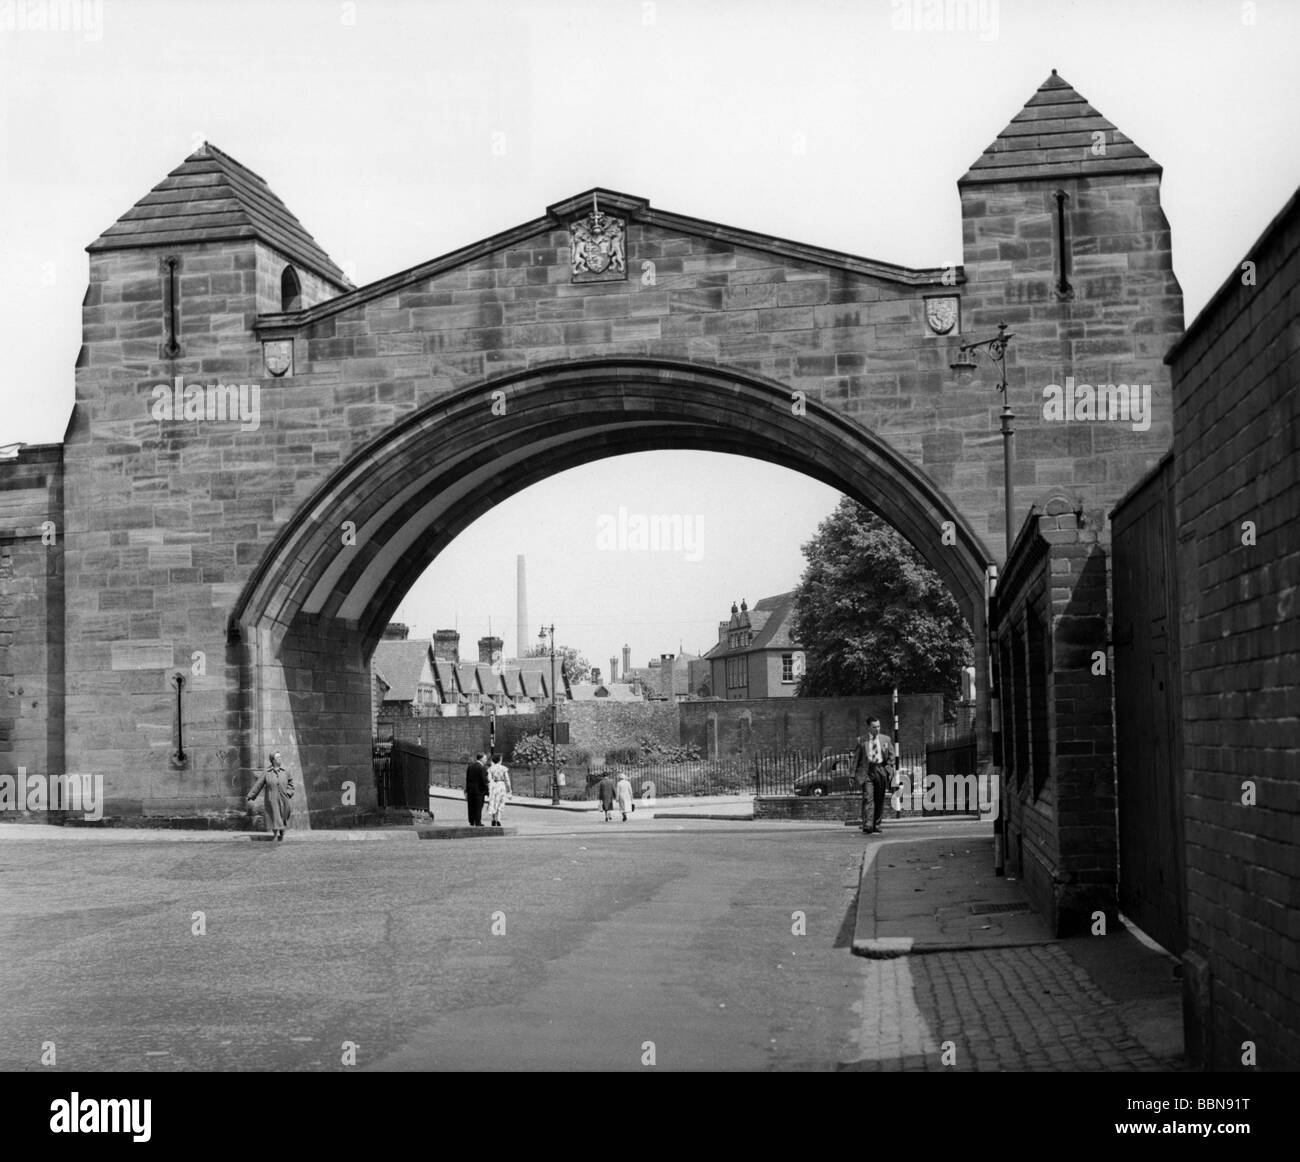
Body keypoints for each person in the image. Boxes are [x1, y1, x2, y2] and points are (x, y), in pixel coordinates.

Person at [854, 718, 896, 835]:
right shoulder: (861, 740)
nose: (877, 729)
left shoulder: (886, 739)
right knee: (868, 798)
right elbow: (856, 759)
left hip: (881, 770)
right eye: (874, 727)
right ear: (869, 727)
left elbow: (892, 756)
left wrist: (889, 768)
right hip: (867, 771)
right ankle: (868, 824)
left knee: (879, 799)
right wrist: (852, 775)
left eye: (878, 726)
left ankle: (876, 824)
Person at [247, 751, 294, 841]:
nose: (280, 758)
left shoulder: (286, 771)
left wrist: (288, 793)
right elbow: (258, 784)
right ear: (273, 760)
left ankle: (282, 831)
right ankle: (276, 834)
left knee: (284, 815)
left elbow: (291, 784)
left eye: (280, 756)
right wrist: (251, 795)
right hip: (272, 798)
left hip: (284, 798)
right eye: (278, 757)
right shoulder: (267, 772)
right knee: (275, 816)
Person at [486, 752, 512, 828]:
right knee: (501, 802)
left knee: (493, 801)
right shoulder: (503, 768)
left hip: (494, 785)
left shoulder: (490, 768)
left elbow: (489, 779)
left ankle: (493, 819)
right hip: (501, 785)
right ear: (500, 760)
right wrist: (509, 790)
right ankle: (499, 819)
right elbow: (507, 780)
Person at [465, 753, 489, 827]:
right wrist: (487, 790)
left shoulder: (470, 766)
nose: (486, 760)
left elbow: (467, 779)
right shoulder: (482, 768)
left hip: (471, 790)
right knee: (478, 807)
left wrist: (466, 789)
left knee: (471, 806)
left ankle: (471, 820)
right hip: (479, 790)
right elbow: (483, 780)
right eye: (485, 759)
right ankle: (477, 821)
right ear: (481, 759)